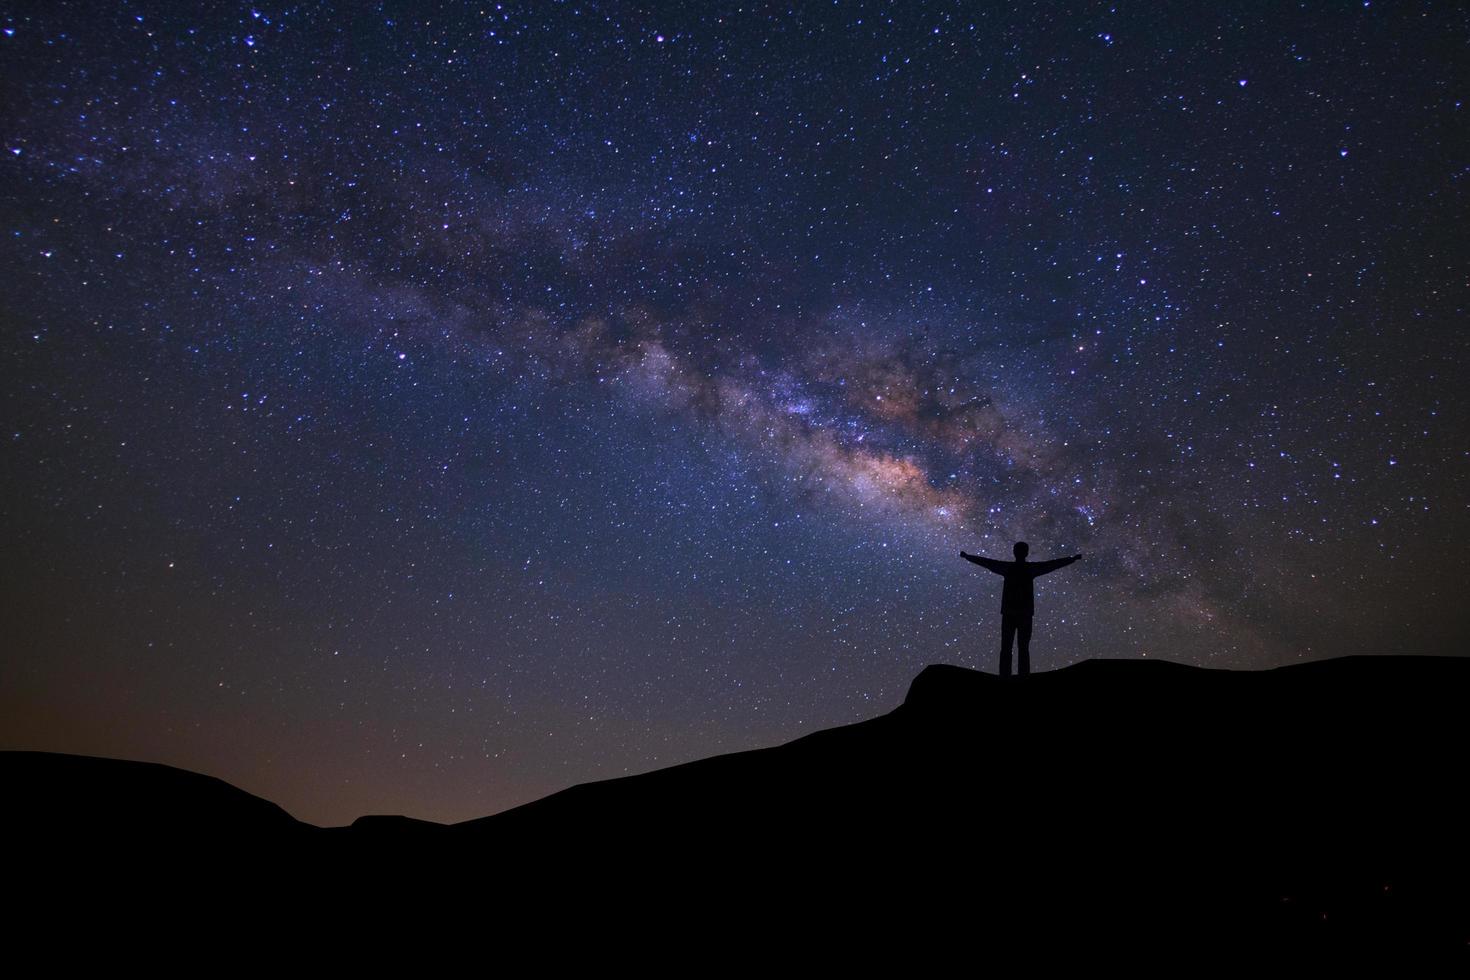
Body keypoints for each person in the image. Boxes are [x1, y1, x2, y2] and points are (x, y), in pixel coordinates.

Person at [960, 542, 1082, 677]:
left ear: (1015, 552)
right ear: (1026, 552)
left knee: (1011, 647)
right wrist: (1071, 559)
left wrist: (968, 557)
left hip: (1013, 613)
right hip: (1021, 613)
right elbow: (1050, 565)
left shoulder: (1011, 568)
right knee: (1019, 648)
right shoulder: (1028, 568)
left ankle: (1007, 674)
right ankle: (1017, 674)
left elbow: (987, 562)